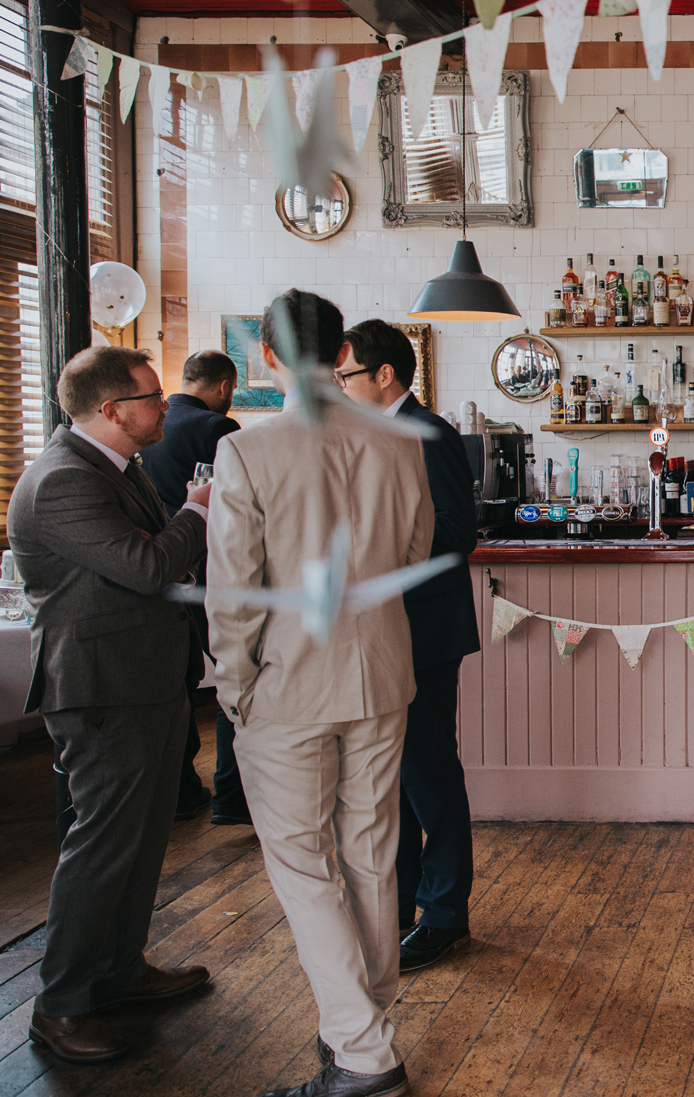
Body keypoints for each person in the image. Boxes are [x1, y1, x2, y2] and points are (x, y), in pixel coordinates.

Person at [208, 291, 432, 1097]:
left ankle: (366, 1054)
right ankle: (361, 1025)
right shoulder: (399, 441)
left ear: (267, 358)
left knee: (304, 867)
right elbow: (412, 549)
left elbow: (232, 594)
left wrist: (235, 688)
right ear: (342, 350)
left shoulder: (248, 451)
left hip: (287, 684)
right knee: (372, 855)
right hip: (381, 671)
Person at [9, 346, 212, 1063]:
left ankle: (120, 971)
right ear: (111, 410)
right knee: (100, 849)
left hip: (146, 680)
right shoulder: (63, 480)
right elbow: (151, 566)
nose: (166, 406)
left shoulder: (111, 468)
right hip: (102, 689)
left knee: (143, 838)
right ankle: (60, 1006)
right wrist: (195, 509)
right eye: (153, 396)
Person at [337, 321, 479, 973]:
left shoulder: (430, 432)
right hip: (379, 629)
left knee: (428, 771)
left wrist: (380, 557)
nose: (340, 386)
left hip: (422, 627)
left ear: (384, 374)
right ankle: (398, 903)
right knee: (387, 774)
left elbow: (456, 530)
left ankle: (445, 912)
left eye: (348, 375)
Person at [138, 349, 248, 825]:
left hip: (157, 574)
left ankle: (180, 789)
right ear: (225, 386)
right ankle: (231, 796)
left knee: (176, 682)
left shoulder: (146, 434)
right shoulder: (216, 430)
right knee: (233, 677)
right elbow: (240, 509)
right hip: (209, 569)